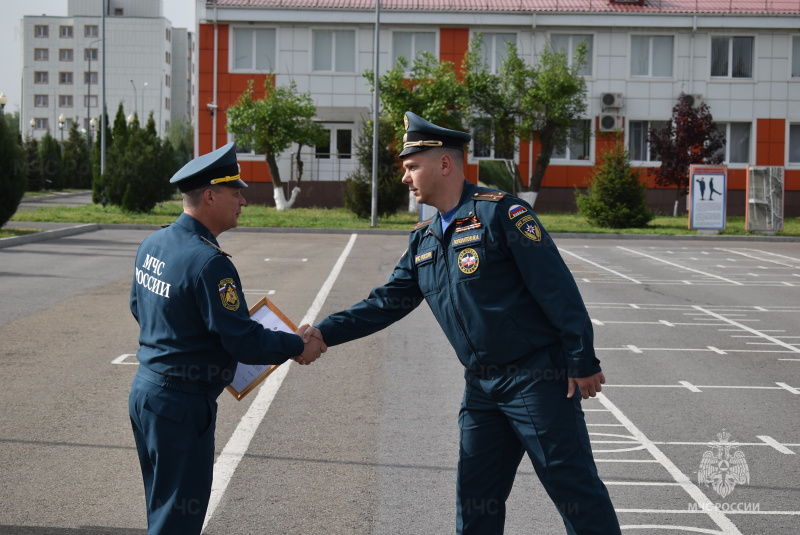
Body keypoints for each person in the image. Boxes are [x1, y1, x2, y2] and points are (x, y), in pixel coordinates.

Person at [314, 112, 621, 534]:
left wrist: (581, 359)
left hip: (536, 378)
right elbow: (386, 303)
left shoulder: (502, 214)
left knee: (575, 492)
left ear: (445, 164)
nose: (405, 178)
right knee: (476, 500)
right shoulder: (424, 239)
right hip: (481, 386)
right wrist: (322, 333)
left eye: (411, 167)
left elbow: (557, 290)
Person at [128, 142, 326, 535]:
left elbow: (140, 307)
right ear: (209, 195)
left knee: (163, 507)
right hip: (182, 405)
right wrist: (297, 345)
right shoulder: (210, 263)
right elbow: (244, 342)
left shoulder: (155, 242)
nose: (243, 201)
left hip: (147, 394)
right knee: (177, 520)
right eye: (236, 193)